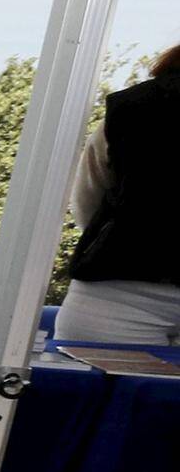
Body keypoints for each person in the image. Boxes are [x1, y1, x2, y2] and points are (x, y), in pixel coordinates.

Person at [51, 42, 180, 348]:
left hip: (116, 289)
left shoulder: (132, 107)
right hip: (119, 293)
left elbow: (87, 203)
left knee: (99, 394)